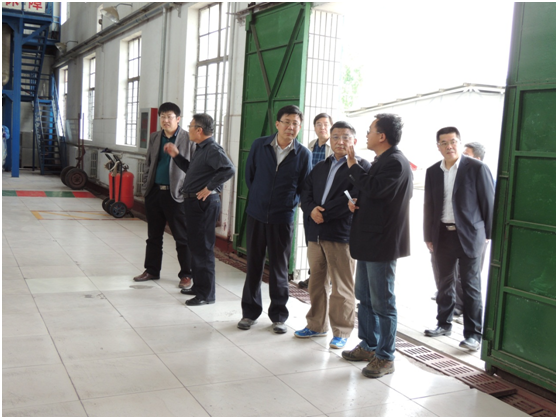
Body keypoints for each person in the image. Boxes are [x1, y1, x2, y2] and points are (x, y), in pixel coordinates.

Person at [341, 113, 413, 379]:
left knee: (383, 302)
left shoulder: (395, 162)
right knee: (365, 296)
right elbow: (375, 195)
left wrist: (352, 164)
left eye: (370, 130)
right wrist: (356, 202)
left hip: (381, 243)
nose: (367, 135)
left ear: (382, 136)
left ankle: (385, 356)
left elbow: (376, 189)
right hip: (369, 240)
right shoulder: (382, 161)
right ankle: (369, 345)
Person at [295, 121, 371, 349]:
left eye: (345, 137)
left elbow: (355, 198)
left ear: (354, 141)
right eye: (335, 137)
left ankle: (342, 331)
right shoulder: (321, 166)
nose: (340, 142)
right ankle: (316, 325)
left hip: (341, 234)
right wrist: (311, 210)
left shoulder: (361, 167)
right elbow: (305, 192)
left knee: (342, 287)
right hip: (316, 234)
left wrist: (324, 214)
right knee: (316, 284)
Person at [238, 105, 312, 334]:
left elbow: (304, 186)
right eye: (287, 122)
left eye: (295, 123)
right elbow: (250, 176)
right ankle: (249, 313)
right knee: (254, 265)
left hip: (282, 218)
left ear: (300, 127)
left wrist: (287, 203)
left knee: (280, 268)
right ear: (277, 124)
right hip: (256, 214)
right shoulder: (260, 145)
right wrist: (260, 198)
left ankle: (279, 316)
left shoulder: (303, 154)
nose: (291, 127)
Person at [423, 128, 494, 351]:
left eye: (453, 141)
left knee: (470, 285)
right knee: (444, 283)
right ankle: (443, 324)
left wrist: (488, 235)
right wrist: (428, 236)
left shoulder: (477, 168)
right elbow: (429, 206)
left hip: (470, 236)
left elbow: (488, 203)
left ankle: (473, 335)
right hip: (442, 234)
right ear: (438, 146)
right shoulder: (433, 171)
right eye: (444, 143)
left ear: (459, 143)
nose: (449, 146)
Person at [164, 113, 235, 306]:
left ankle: (206, 294)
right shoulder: (200, 148)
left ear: (199, 130)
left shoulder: (212, 148)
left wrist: (210, 187)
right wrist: (176, 156)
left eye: (190, 126)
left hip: (204, 204)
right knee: (195, 246)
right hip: (193, 203)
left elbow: (229, 169)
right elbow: (191, 170)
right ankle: (199, 286)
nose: (188, 129)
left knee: (203, 249)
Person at [133, 102, 196, 289]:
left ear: (178, 119)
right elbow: (149, 162)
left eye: (169, 117)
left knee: (182, 237)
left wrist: (186, 190)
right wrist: (146, 185)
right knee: (153, 236)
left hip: (176, 195)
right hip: (154, 192)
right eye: (162, 117)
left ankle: (186, 274)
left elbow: (193, 167)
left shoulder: (188, 138)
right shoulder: (155, 137)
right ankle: (151, 270)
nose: (165, 120)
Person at [298, 112, 334, 290]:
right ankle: (314, 276)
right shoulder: (311, 146)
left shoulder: (334, 148)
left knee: (326, 243)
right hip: (310, 201)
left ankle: (327, 279)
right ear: (314, 127)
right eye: (318, 124)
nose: (322, 127)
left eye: (326, 124)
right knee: (311, 241)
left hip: (326, 202)